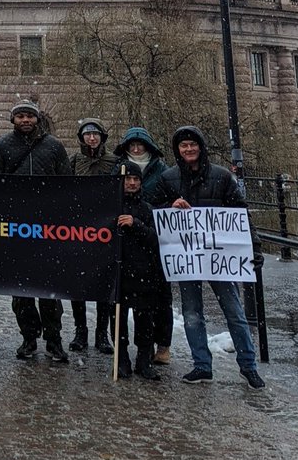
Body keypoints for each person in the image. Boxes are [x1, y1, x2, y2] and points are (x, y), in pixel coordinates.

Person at [150, 125, 265, 388]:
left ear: (200, 147)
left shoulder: (222, 177)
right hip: (188, 259)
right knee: (192, 314)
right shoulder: (168, 179)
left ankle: (248, 365)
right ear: (178, 151)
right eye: (183, 146)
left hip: (218, 259)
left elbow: (241, 215)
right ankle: (202, 365)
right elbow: (152, 210)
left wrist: (253, 247)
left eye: (192, 144)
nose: (189, 149)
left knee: (234, 312)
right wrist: (170, 206)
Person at [0, 101, 72, 363]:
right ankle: (29, 338)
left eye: (30, 116)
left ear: (37, 119)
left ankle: (54, 340)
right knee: (21, 291)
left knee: (49, 290)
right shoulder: (2, 147)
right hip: (16, 229)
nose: (25, 120)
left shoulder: (54, 147)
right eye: (21, 116)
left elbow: (67, 184)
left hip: (48, 229)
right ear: (13, 120)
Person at [113, 126, 173, 364]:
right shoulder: (117, 169)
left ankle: (158, 348)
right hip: (125, 257)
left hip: (148, 250)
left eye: (141, 144)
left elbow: (169, 198)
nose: (136, 148)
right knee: (122, 311)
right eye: (132, 145)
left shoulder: (162, 171)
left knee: (155, 305)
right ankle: (123, 356)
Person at [68, 117, 116, 355]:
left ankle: (102, 334)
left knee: (103, 284)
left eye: (95, 134)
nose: (92, 138)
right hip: (79, 230)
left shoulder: (114, 162)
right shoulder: (75, 161)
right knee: (78, 284)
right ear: (82, 138)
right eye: (87, 134)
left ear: (102, 137)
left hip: (104, 230)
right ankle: (80, 332)